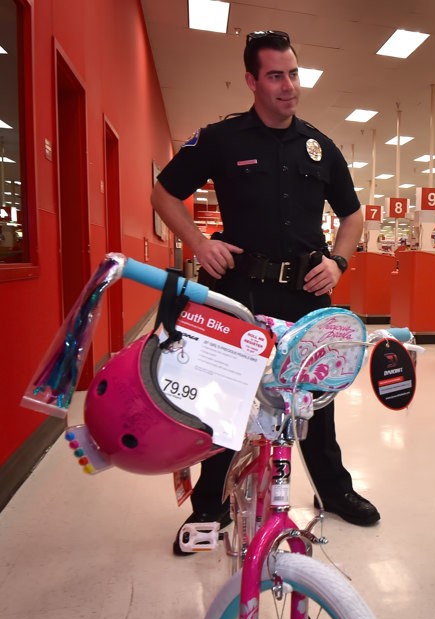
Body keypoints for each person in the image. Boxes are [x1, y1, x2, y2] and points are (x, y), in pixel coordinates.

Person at [152, 29, 379, 556]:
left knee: (316, 401)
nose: (288, 86)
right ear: (252, 80)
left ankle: (335, 489)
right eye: (276, 75)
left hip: (305, 292)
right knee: (224, 397)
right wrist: (197, 244)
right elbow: (163, 192)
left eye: (294, 73)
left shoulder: (319, 146)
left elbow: (353, 213)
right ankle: (210, 505)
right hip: (237, 291)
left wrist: (338, 262)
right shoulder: (220, 140)